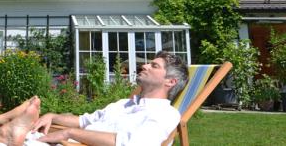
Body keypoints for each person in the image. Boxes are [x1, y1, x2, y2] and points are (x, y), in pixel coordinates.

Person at [33, 51, 188, 146]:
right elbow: (83, 121)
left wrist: (70, 133)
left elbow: (135, 144)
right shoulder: (123, 104)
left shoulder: (166, 114)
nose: (144, 66)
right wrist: (52, 116)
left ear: (170, 81)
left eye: (154, 66)